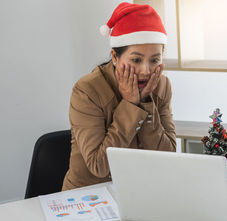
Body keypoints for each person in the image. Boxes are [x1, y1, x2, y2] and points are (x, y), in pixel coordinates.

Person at [62, 3, 176, 190]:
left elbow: (168, 155)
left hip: (140, 191)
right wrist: (131, 105)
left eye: (155, 60)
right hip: (89, 196)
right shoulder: (86, 91)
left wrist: (146, 103)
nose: (145, 71)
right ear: (115, 56)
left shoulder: (162, 86)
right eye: (136, 60)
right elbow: (100, 166)